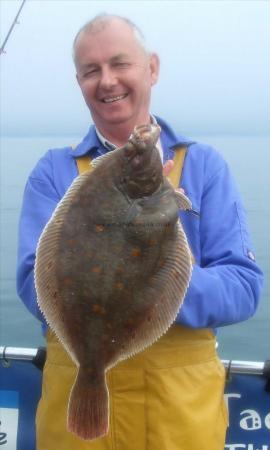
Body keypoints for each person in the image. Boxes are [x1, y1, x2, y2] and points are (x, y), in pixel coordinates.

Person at [17, 13, 263, 450]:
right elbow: (31, 283)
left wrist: (156, 276)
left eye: (119, 63)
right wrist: (121, 259)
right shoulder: (52, 173)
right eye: (91, 70)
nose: (107, 80)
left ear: (151, 68)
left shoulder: (205, 166)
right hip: (75, 413)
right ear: (79, 82)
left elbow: (243, 288)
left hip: (179, 419)